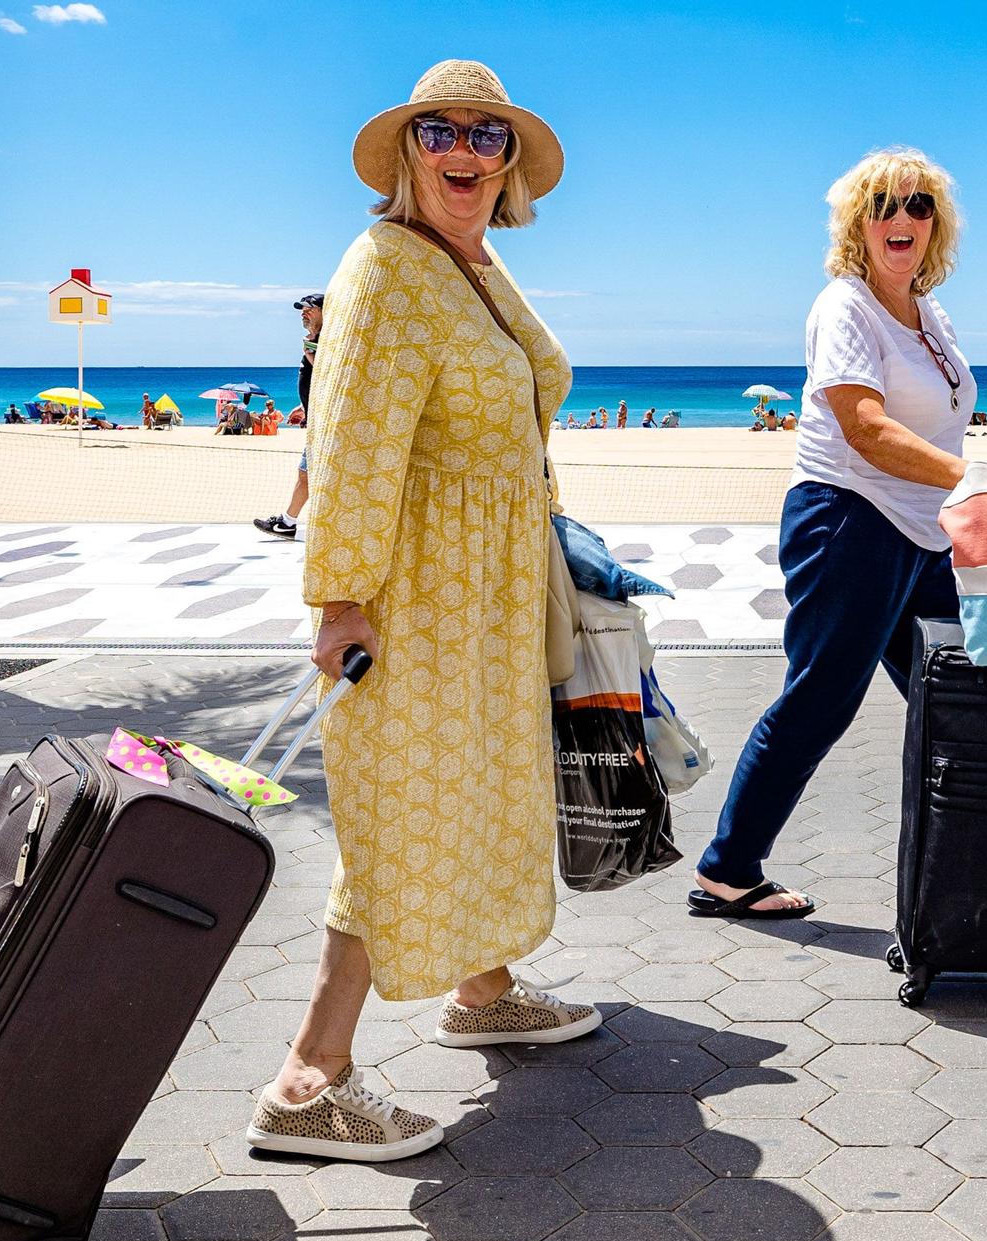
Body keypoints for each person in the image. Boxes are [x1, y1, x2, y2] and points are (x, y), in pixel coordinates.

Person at [245, 59, 598, 1164]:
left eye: (486, 137)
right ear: (409, 153)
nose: (464, 151)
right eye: (439, 131)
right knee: (399, 809)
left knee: (483, 787)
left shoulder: (476, 265)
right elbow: (346, 446)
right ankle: (310, 1076)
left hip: (489, 588)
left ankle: (481, 983)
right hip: (418, 595)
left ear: (507, 165)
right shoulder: (387, 268)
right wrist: (340, 598)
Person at [694, 147, 973, 923]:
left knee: (958, 696)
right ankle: (728, 867)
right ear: (859, 219)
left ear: (936, 226)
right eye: (885, 202)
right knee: (822, 696)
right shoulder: (845, 306)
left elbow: (937, 423)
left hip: (923, 535)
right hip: (847, 521)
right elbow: (866, 430)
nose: (903, 218)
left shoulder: (931, 314)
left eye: (920, 206)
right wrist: (972, 481)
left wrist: (969, 493)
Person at [254, 296, 326, 538]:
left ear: (323, 311)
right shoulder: (315, 340)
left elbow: (332, 374)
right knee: (306, 474)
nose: (303, 313)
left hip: (325, 422)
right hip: (317, 417)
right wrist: (304, 406)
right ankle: (287, 522)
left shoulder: (328, 339)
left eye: (308, 309)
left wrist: (310, 356)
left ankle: (289, 522)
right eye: (301, 310)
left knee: (308, 474)